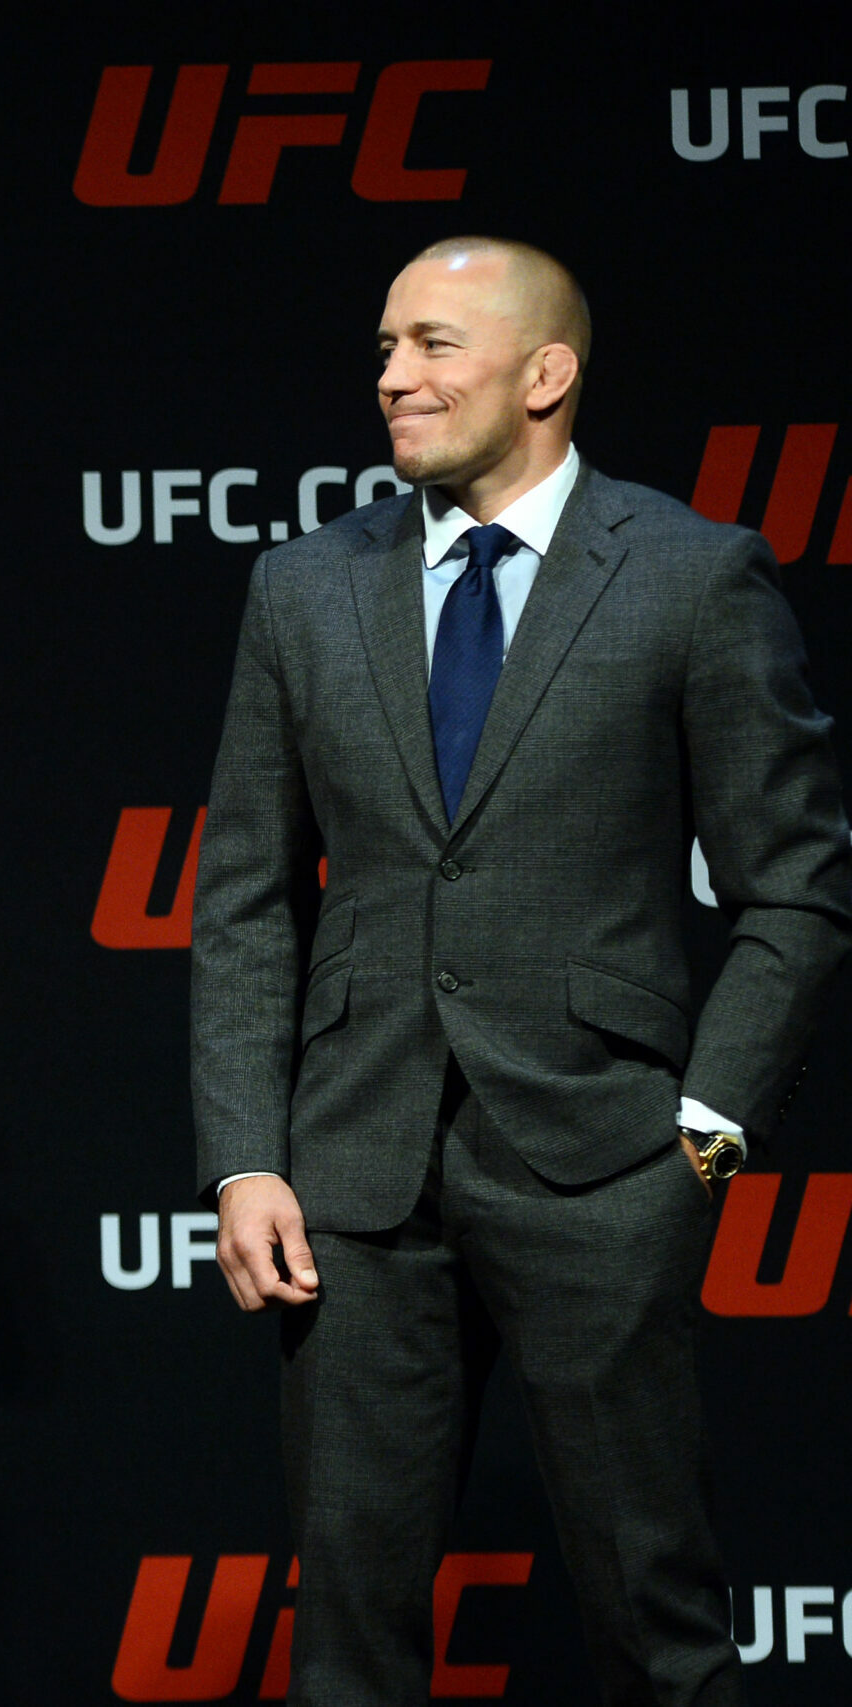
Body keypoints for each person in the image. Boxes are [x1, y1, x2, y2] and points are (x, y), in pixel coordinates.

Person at [191, 236, 852, 1704]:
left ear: (547, 373)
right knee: (347, 1642)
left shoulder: (690, 573)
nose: (392, 377)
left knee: (657, 1623)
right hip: (353, 1176)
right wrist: (245, 1155)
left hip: (605, 1161)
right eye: (384, 347)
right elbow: (242, 897)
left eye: (432, 345)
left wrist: (706, 1128)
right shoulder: (304, 587)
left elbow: (797, 886)